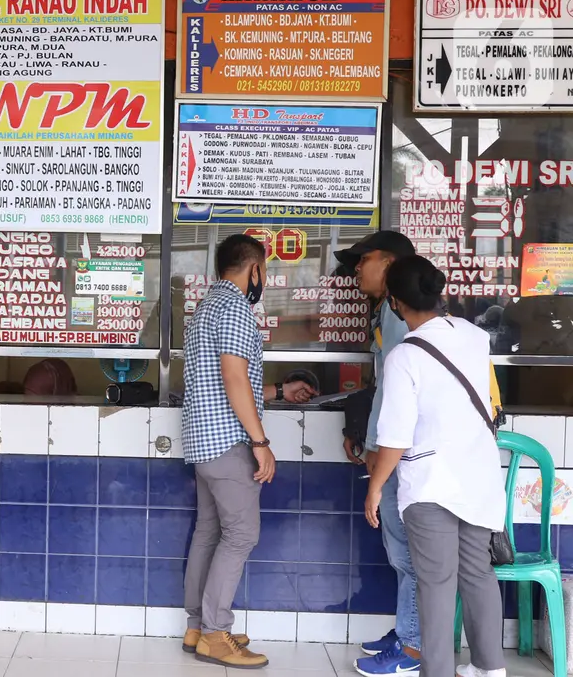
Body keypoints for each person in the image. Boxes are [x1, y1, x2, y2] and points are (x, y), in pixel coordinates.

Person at [366, 255, 506, 677]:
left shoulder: (405, 356)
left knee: (436, 583)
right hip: (478, 475)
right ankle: (489, 668)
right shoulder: (474, 335)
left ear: (394, 302)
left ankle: (438, 671)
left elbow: (394, 436)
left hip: (430, 484)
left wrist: (375, 487)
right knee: (478, 573)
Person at [181, 234, 315, 668]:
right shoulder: (237, 308)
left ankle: (198, 626)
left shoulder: (206, 307)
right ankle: (217, 635)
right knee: (241, 535)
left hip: (203, 442)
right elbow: (235, 379)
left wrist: (278, 389)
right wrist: (260, 442)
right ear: (254, 269)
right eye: (264, 271)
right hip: (228, 442)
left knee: (209, 532)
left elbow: (226, 380)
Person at [333, 231, 425, 675]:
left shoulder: (396, 312)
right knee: (401, 552)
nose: (356, 269)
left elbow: (394, 392)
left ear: (389, 263)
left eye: (363, 259)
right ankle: (408, 630)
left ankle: (412, 647)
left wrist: (374, 449)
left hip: (399, 454)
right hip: (398, 450)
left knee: (407, 554)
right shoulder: (390, 311)